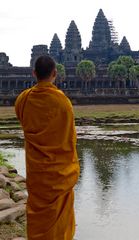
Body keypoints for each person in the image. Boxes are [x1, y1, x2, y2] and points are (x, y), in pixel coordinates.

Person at [15, 55, 80, 240]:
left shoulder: (23, 99)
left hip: (38, 176)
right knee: (60, 227)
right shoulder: (63, 102)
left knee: (38, 217)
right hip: (59, 175)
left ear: (34, 73)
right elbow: (69, 136)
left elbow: (24, 121)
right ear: (55, 74)